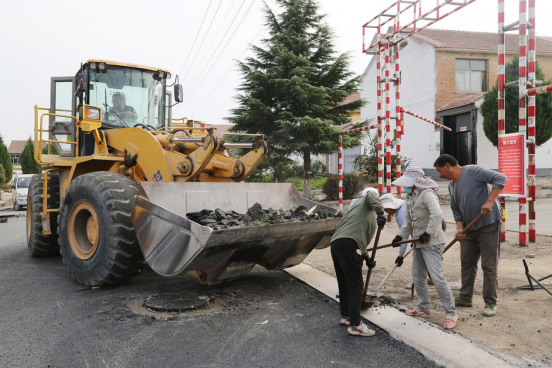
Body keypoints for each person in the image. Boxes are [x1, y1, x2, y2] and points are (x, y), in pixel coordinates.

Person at [433, 154, 506, 317]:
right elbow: (456, 210)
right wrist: (459, 228)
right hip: (468, 230)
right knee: (467, 263)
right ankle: (466, 297)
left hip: (488, 226)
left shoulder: (473, 171)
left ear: (447, 166)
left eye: (440, 171)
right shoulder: (452, 186)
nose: (440, 175)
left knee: (489, 265)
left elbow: (500, 178)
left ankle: (490, 302)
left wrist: (489, 201)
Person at [391, 166, 458, 329]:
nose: (405, 186)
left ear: (415, 182)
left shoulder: (427, 194)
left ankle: (451, 312)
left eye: (407, 183)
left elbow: (437, 215)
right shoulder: (411, 196)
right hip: (418, 241)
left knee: (436, 277)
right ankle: (423, 307)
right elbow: (409, 220)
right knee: (418, 275)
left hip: (433, 241)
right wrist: (400, 236)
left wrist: (428, 233)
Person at [330, 189, 387, 337]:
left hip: (337, 245)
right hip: (347, 245)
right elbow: (371, 194)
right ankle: (356, 325)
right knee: (356, 285)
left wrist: (366, 257)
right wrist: (381, 213)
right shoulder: (367, 200)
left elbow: (357, 237)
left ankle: (346, 316)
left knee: (344, 282)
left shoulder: (357, 212)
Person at [380, 194, 408, 265]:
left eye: (386, 210)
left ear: (390, 207)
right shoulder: (403, 205)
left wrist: (400, 255)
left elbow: (404, 235)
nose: (386, 212)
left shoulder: (401, 214)